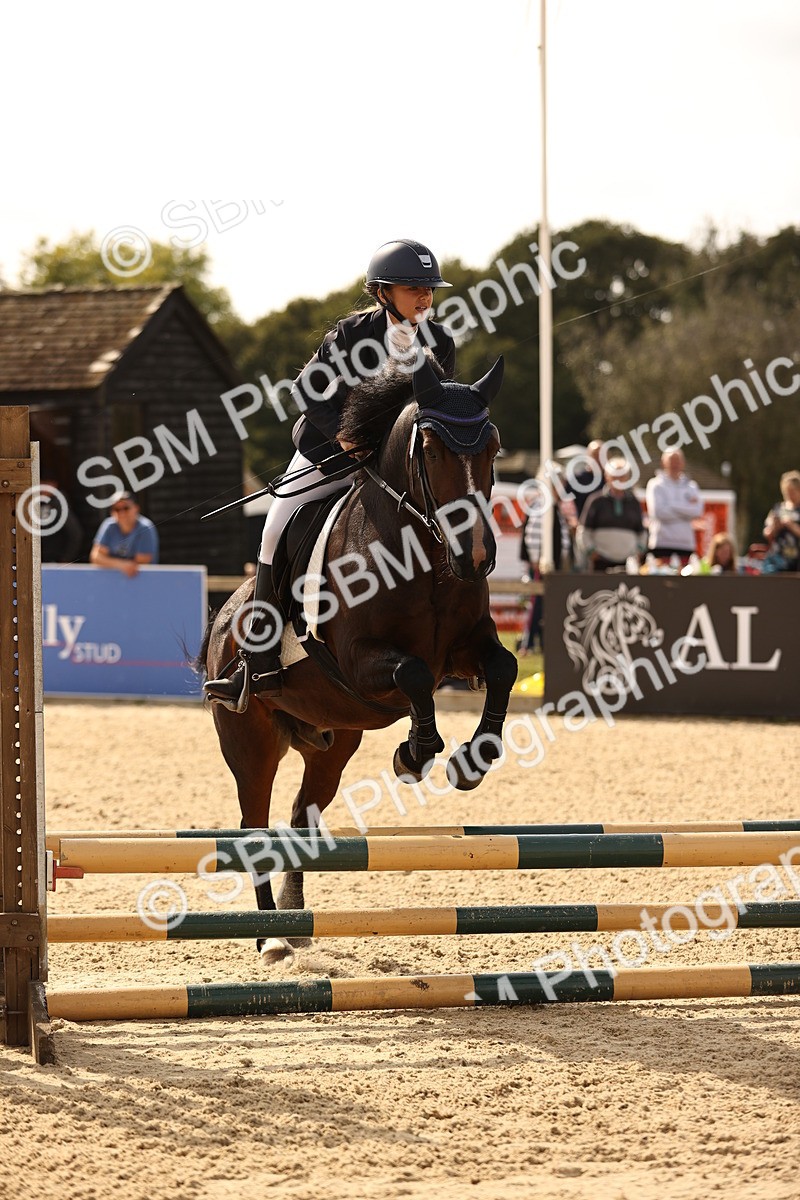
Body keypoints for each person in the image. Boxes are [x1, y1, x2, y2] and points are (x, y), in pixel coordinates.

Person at [204, 239, 456, 711]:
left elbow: (435, 410)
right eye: (412, 288)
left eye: (428, 288)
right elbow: (309, 388)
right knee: (275, 529)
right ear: (382, 292)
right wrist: (345, 437)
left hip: (395, 470)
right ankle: (255, 662)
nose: (424, 297)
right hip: (331, 456)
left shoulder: (439, 342)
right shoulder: (351, 335)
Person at [518, 469, 572, 655]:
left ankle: (540, 641)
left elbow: (563, 537)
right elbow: (532, 534)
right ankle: (528, 642)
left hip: (553, 563)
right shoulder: (542, 504)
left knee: (546, 604)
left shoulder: (554, 506)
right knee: (536, 603)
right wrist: (535, 559)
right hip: (542, 563)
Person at [576, 458, 646, 571]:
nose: (618, 480)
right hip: (600, 564)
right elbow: (584, 531)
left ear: (627, 478)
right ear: (607, 477)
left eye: (622, 476)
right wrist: (591, 551)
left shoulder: (634, 502)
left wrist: (638, 551)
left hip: (628, 565)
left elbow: (641, 533)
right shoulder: (595, 501)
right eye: (615, 476)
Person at [645, 449, 703, 565]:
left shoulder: (691, 486)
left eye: (677, 460)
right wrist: (685, 509)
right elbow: (658, 512)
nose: (674, 464)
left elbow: (697, 511)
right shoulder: (655, 485)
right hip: (662, 543)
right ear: (663, 462)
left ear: (683, 463)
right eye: (671, 460)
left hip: (685, 545)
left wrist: (670, 505)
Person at [90, 491, 159, 577]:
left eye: (126, 508)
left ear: (136, 508)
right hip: (112, 581)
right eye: (117, 509)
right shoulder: (109, 526)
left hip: (142, 581)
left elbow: (141, 563)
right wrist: (122, 565)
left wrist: (109, 562)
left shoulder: (145, 528)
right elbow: (96, 557)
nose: (122, 513)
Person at [761, 470, 800, 574]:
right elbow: (767, 533)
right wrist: (775, 527)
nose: (789, 495)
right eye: (787, 492)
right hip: (778, 557)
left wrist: (791, 525)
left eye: (792, 491)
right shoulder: (778, 509)